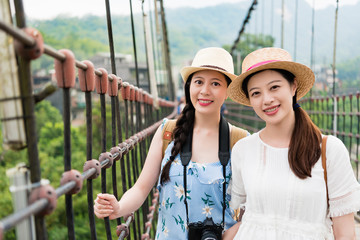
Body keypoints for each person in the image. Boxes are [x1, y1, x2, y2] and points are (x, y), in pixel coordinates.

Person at [94, 47, 249, 239]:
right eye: (198, 82)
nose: (205, 91)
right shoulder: (167, 132)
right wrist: (118, 208)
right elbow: (141, 189)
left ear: (228, 92)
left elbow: (254, 212)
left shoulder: (241, 141)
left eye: (216, 83)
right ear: (189, 87)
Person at [227, 47, 360, 239]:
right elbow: (245, 219)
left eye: (274, 87)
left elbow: (345, 233)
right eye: (256, 93)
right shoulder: (243, 149)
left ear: (293, 86)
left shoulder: (329, 150)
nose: (267, 100)